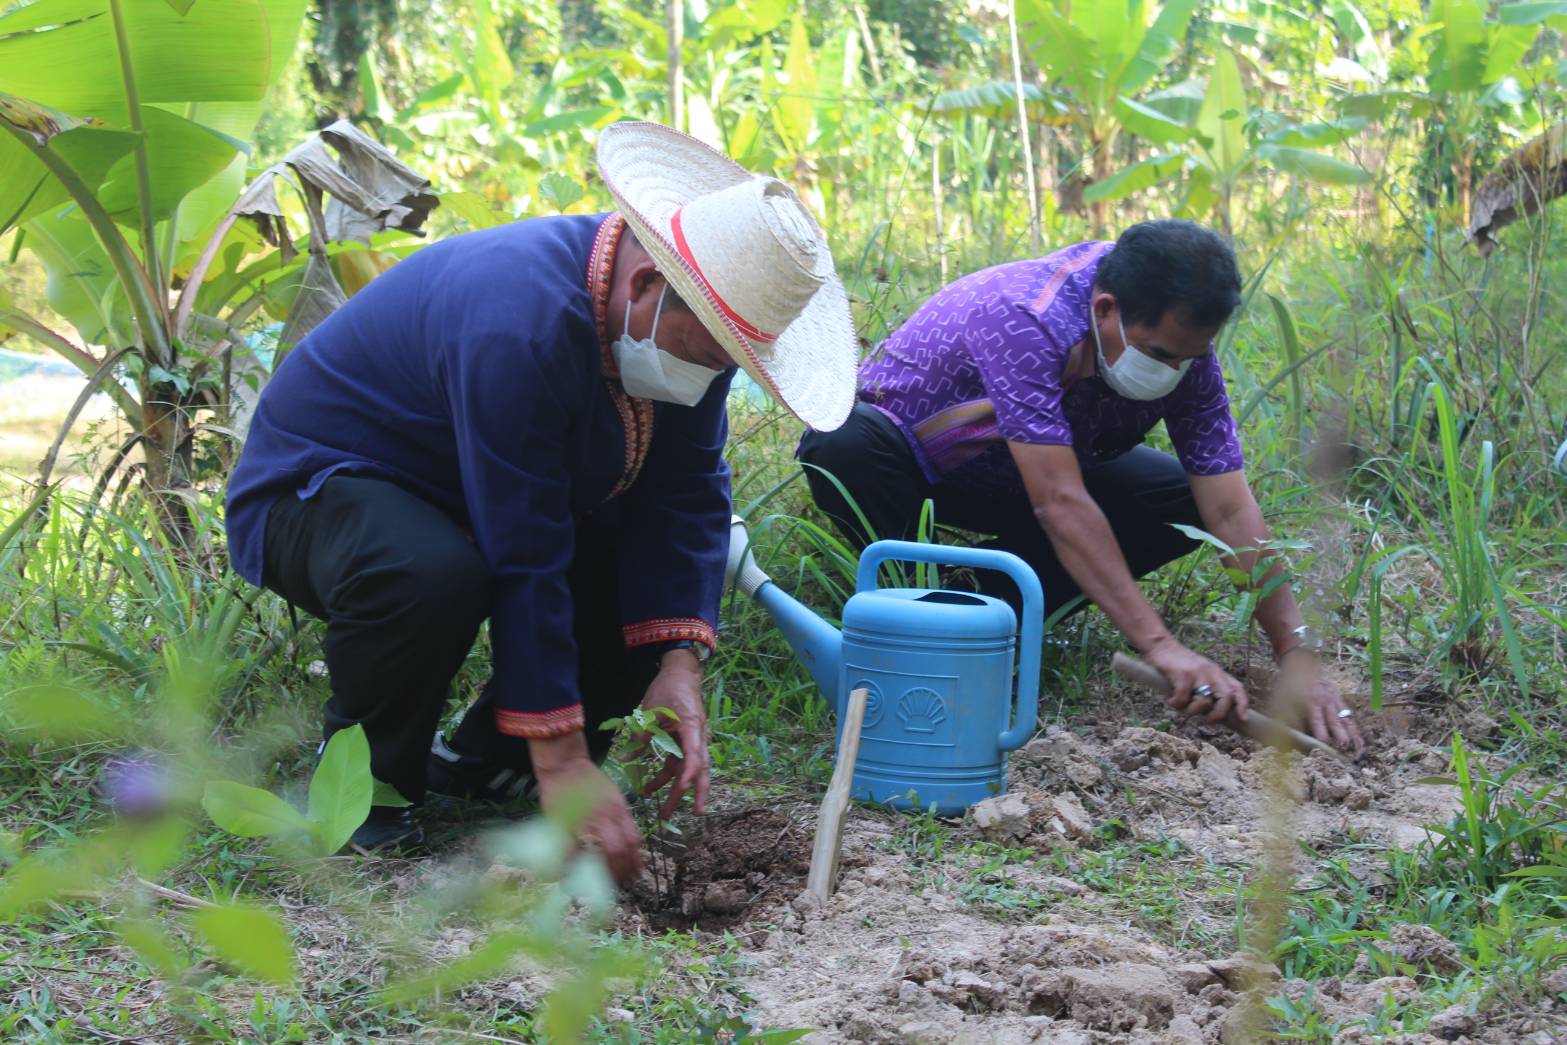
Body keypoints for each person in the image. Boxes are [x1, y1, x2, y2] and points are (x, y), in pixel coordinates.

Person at [225, 122, 856, 877]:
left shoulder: (691, 326)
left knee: (638, 587)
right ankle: (365, 788)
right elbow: (523, 544)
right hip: (319, 493)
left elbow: (687, 495)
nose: (709, 377)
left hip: (467, 498)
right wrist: (563, 757)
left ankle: (489, 764)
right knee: (428, 572)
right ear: (645, 286)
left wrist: (677, 663)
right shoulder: (517, 320)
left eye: (728, 364)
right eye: (706, 356)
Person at [798, 220, 1362, 751]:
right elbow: (1059, 502)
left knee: (1179, 499)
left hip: (1034, 469)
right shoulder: (1024, 316)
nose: (1172, 372)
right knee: (841, 444)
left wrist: (1297, 653)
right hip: (921, 464)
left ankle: (975, 604)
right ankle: (909, 604)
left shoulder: (1186, 359)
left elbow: (1230, 509)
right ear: (1106, 309)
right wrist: (1160, 645)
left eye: (1189, 358)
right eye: (1160, 355)